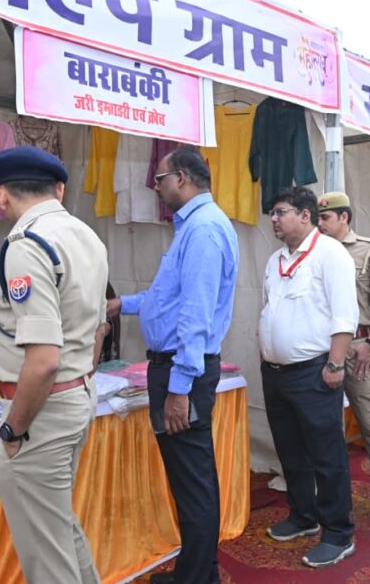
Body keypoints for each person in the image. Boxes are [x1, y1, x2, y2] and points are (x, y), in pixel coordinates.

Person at [108, 147, 239, 584]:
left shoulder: (203, 230)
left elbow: (196, 315)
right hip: (178, 369)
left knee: (193, 482)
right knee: (191, 479)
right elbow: (169, 298)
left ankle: (197, 578)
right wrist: (122, 304)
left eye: (160, 179)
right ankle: (199, 572)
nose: (156, 187)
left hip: (182, 372)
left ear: (181, 178)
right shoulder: (194, 227)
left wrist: (180, 388)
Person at [0, 146, 108, 584]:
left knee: (47, 559)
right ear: (59, 189)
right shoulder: (86, 236)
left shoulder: (27, 245)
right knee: (58, 531)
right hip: (75, 395)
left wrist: (13, 430)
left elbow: (42, 361)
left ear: (1, 193)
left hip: (41, 413)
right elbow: (99, 330)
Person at [259, 186, 358, 569]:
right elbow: (267, 309)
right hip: (276, 373)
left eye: (280, 211)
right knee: (290, 450)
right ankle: (303, 516)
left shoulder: (330, 254)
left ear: (305, 215)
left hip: (314, 372)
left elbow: (344, 315)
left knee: (326, 456)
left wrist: (335, 365)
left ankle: (338, 534)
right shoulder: (275, 260)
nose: (273, 219)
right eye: (272, 213)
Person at [316, 191, 370, 530]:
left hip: (356, 347)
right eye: (318, 217)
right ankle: (332, 497)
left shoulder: (367, 250)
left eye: (326, 217)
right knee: (325, 425)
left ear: (344, 217)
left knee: (369, 420)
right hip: (318, 346)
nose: (320, 223)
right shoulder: (313, 251)